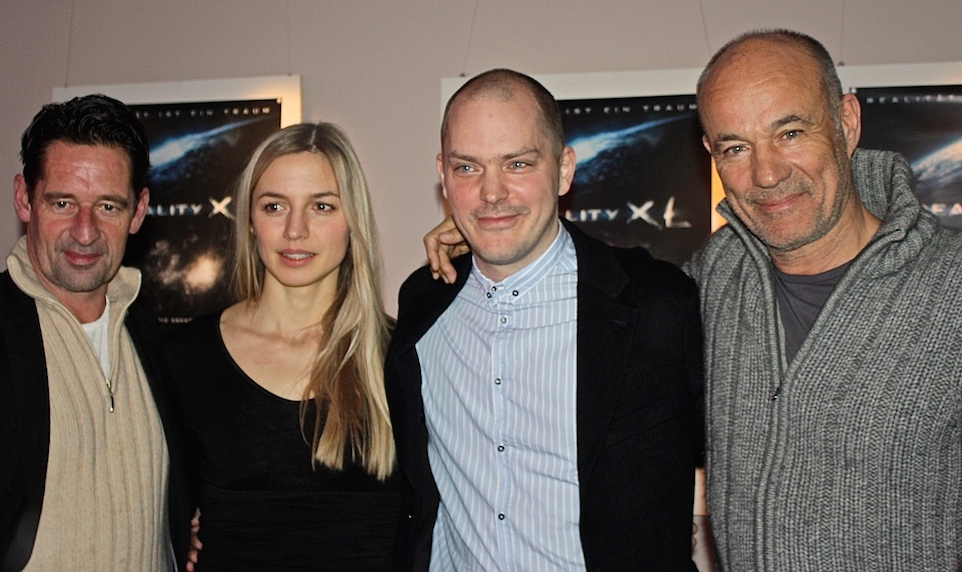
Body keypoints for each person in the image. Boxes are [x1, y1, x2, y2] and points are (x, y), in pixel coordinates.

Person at [427, 30, 962, 571]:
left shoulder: (951, 287)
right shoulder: (705, 285)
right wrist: (485, 229)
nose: (767, 173)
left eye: (791, 132)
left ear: (846, 122)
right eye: (735, 147)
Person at [387, 68, 704, 570]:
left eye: (517, 163)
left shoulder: (658, 304)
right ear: (443, 176)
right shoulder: (424, 301)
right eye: (468, 168)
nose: (491, 192)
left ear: (563, 170)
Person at [0, 94, 193, 571]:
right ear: (24, 198)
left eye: (108, 207)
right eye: (62, 202)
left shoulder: (162, 346)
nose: (84, 231)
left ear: (138, 211)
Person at [160, 122, 402, 571]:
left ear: (353, 220)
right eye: (275, 206)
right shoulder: (184, 358)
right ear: (250, 221)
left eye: (322, 207)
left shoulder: (402, 358)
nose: (296, 230)